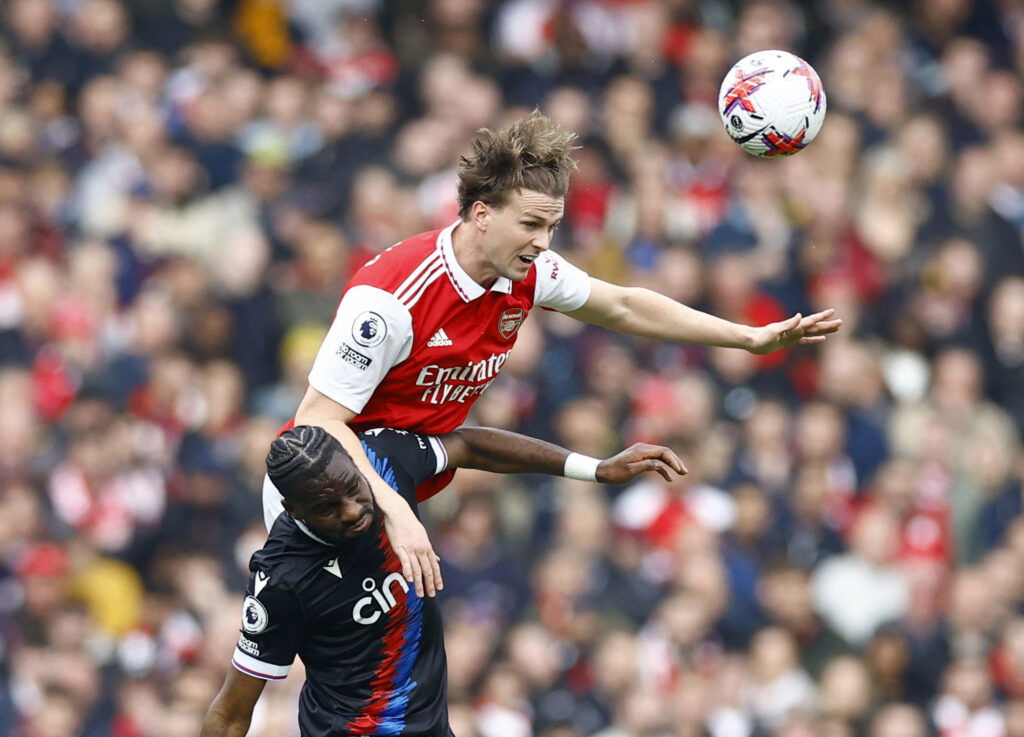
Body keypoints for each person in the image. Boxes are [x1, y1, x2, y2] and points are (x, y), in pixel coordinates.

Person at [271, 110, 842, 599]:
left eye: (553, 226)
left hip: (400, 480)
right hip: (327, 499)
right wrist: (394, 512)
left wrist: (747, 336)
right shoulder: (392, 299)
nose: (544, 242)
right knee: (375, 685)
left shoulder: (526, 271)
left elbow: (622, 306)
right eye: (531, 224)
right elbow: (319, 420)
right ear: (480, 214)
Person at [202, 423, 684, 737]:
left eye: (353, 489)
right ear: (292, 511)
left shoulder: (383, 460)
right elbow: (231, 710)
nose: (353, 512)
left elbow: (469, 445)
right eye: (327, 508)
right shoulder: (282, 578)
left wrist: (594, 468)